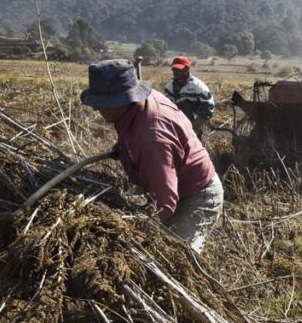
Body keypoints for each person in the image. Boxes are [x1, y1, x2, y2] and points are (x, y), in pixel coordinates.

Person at [80, 59, 222, 252]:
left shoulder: (151, 139)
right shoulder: (141, 104)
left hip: (196, 197)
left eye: (104, 104)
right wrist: (124, 146)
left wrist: (134, 229)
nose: (97, 109)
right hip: (178, 184)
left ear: (124, 99)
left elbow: (162, 204)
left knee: (176, 260)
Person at [162, 55, 215, 137]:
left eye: (179, 69)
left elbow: (208, 107)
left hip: (195, 129)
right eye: (174, 69)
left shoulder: (197, 86)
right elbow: (166, 110)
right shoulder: (169, 88)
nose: (175, 71)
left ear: (186, 69)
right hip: (176, 129)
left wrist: (193, 127)